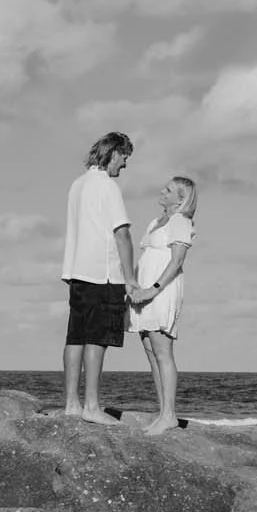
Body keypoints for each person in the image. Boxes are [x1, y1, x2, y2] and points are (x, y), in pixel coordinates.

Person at [61, 132, 139, 423]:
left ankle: (72, 404)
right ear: (113, 153)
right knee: (97, 339)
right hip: (102, 274)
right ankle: (91, 407)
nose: (125, 164)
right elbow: (122, 233)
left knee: (75, 337)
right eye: (125, 157)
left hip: (77, 272)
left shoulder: (77, 184)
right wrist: (130, 278)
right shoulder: (107, 187)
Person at [128, 175, 196, 435]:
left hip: (161, 290)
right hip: (143, 291)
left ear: (181, 198)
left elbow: (177, 261)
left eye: (168, 190)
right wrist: (133, 285)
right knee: (150, 350)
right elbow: (146, 256)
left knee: (162, 350)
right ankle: (162, 412)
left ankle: (169, 415)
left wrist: (153, 290)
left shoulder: (180, 221)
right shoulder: (156, 222)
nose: (161, 191)